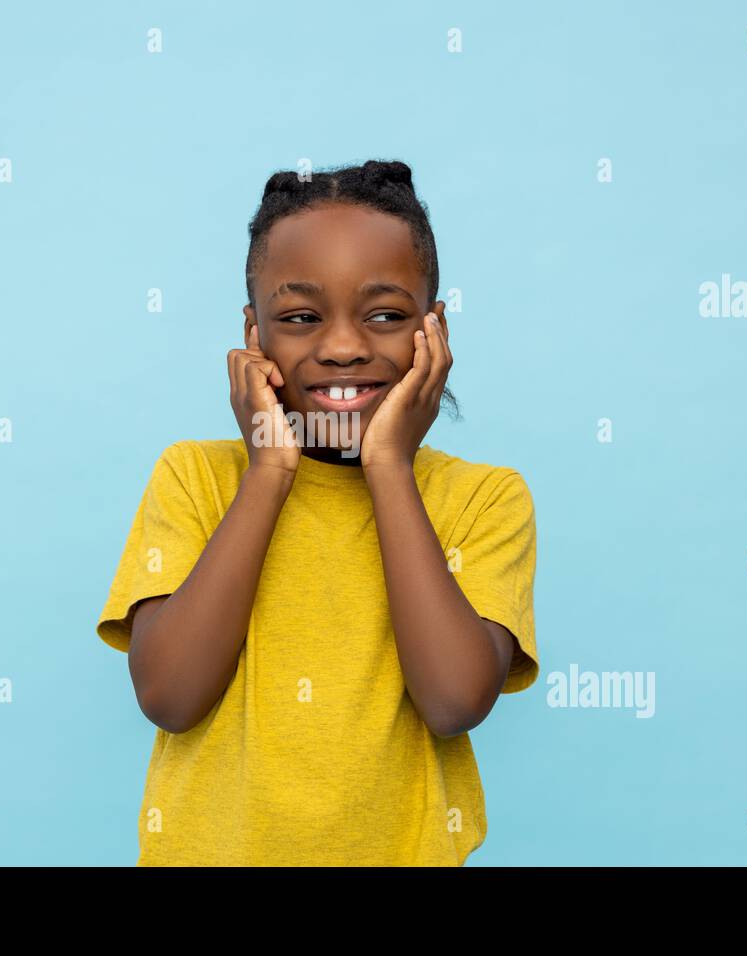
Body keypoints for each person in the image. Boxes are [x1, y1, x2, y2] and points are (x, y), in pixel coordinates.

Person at [96, 159, 539, 866]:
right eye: (301, 317)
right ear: (254, 333)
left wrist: (389, 465)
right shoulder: (195, 478)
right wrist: (270, 467)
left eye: (386, 315)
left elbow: (454, 702)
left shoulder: (484, 499)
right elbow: (170, 696)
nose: (341, 347)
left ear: (435, 330)